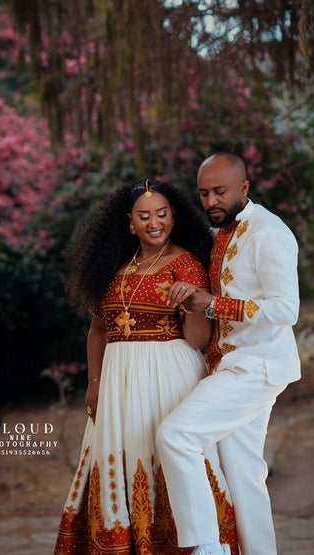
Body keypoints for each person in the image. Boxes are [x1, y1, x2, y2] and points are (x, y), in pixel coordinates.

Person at [54, 179, 239, 554]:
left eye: (162, 214)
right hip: (116, 382)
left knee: (165, 455)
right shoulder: (112, 268)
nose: (155, 223)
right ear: (130, 222)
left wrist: (191, 303)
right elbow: (98, 327)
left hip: (168, 376)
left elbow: (199, 341)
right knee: (117, 460)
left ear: (173, 216)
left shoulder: (186, 262)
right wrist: (94, 382)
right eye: (145, 216)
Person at [156, 152, 301, 555]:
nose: (211, 201)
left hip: (256, 365)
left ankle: (207, 547)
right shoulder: (220, 233)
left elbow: (286, 309)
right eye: (204, 193)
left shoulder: (268, 232)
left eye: (220, 191)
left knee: (177, 435)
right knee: (244, 478)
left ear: (244, 188)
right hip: (231, 363)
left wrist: (213, 305)